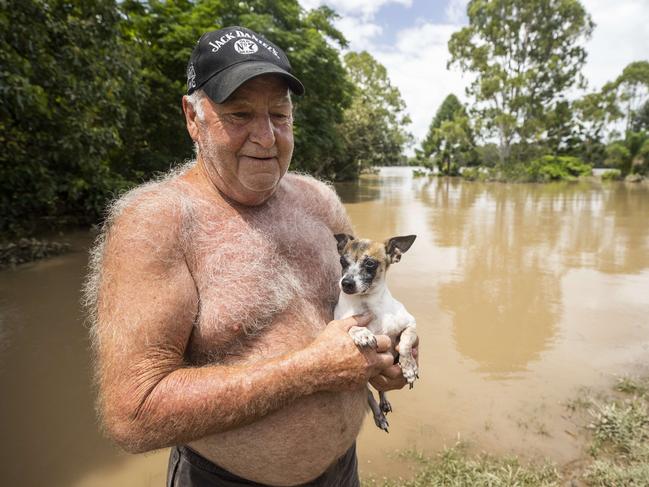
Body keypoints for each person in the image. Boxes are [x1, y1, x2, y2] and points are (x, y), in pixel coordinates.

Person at [85, 26, 414, 487]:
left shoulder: (319, 201)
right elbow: (135, 414)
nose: (266, 137)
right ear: (192, 118)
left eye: (279, 115)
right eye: (239, 114)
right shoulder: (155, 224)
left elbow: (358, 306)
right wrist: (308, 371)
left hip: (343, 470)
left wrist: (385, 356)